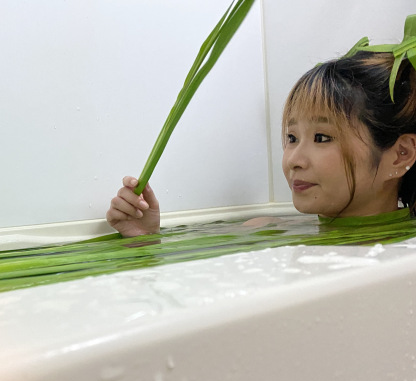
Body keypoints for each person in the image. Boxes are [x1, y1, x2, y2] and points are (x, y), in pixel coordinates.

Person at [106, 21, 416, 237]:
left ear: (400, 155)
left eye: (322, 137)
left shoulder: (404, 257)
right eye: (291, 137)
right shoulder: (266, 229)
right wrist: (145, 239)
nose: (293, 159)